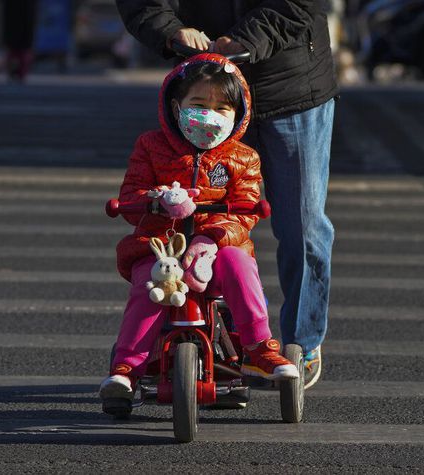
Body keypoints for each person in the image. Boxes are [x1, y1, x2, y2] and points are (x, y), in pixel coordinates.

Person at [116, 0, 338, 388]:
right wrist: (170, 31)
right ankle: (234, 341)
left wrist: (243, 41)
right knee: (198, 217)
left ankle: (301, 340)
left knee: (302, 226)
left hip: (291, 84)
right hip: (207, 94)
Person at [100, 53, 299, 401]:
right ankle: (127, 367)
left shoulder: (243, 156)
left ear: (238, 114)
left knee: (241, 266)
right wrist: (157, 199)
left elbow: (246, 211)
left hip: (216, 249)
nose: (210, 114)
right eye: (199, 103)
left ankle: (258, 348)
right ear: (177, 107)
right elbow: (130, 196)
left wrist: (210, 237)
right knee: (150, 282)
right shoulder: (151, 146)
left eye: (222, 107)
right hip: (161, 245)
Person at [0, 0, 38, 82]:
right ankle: (16, 71)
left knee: (20, 47)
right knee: (16, 47)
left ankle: (19, 71)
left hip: (19, 12)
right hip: (18, 12)